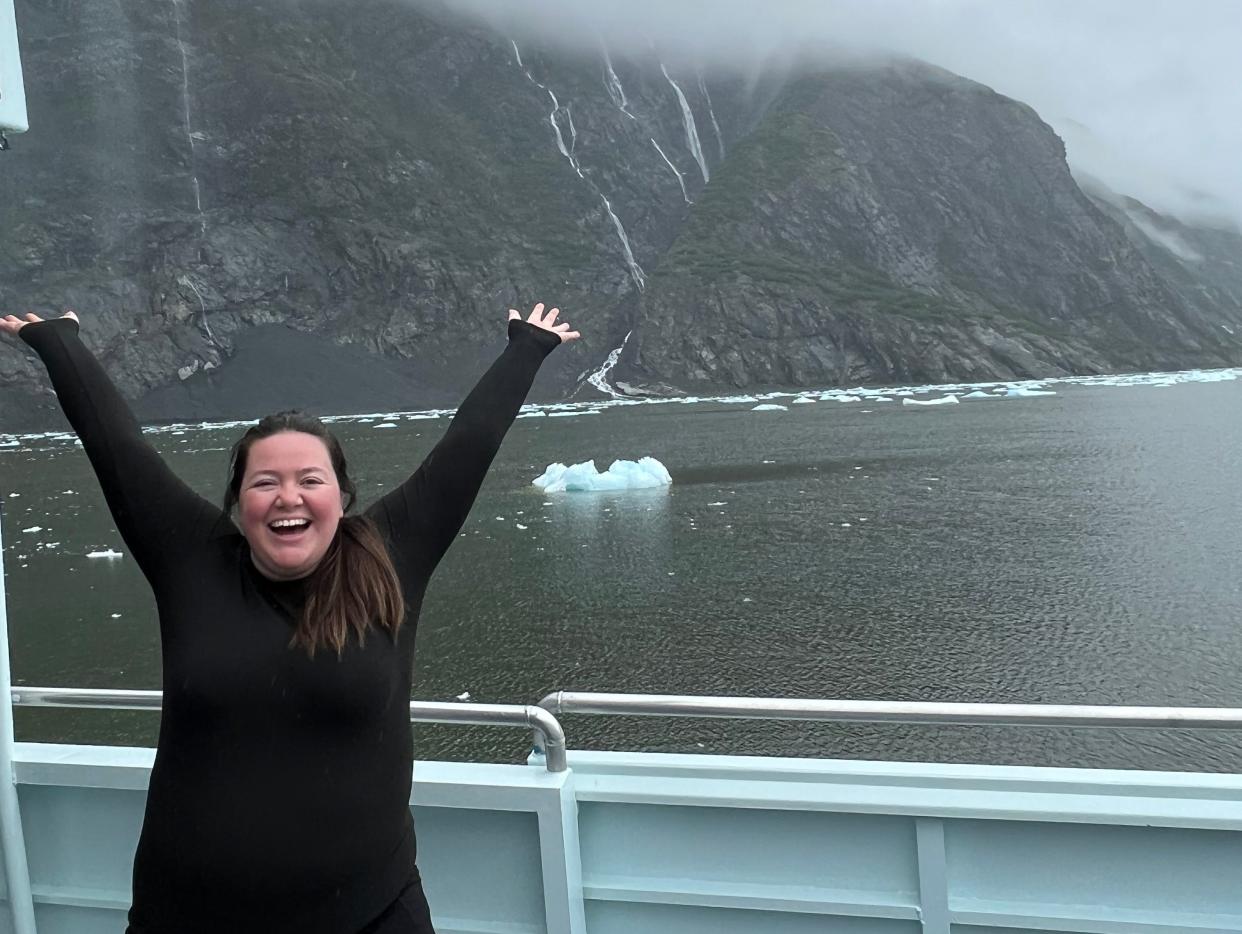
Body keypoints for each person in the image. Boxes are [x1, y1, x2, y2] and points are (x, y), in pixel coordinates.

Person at [1, 303, 579, 934]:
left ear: (342, 495)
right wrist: (57, 342)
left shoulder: (389, 555)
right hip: (190, 914)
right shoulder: (192, 559)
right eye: (264, 482)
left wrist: (528, 347)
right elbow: (117, 446)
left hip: (373, 912)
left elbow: (466, 447)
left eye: (310, 478)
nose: (288, 497)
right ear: (238, 502)